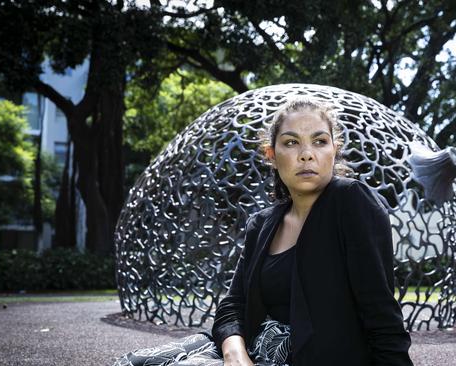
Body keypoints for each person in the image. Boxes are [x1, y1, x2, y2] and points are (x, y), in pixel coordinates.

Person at [113, 98, 413, 366]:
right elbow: (233, 305)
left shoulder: (351, 202)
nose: (307, 154)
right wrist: (235, 354)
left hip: (306, 357)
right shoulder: (263, 223)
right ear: (271, 154)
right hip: (246, 350)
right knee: (129, 364)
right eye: (291, 143)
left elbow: (381, 311)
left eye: (320, 141)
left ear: (335, 149)